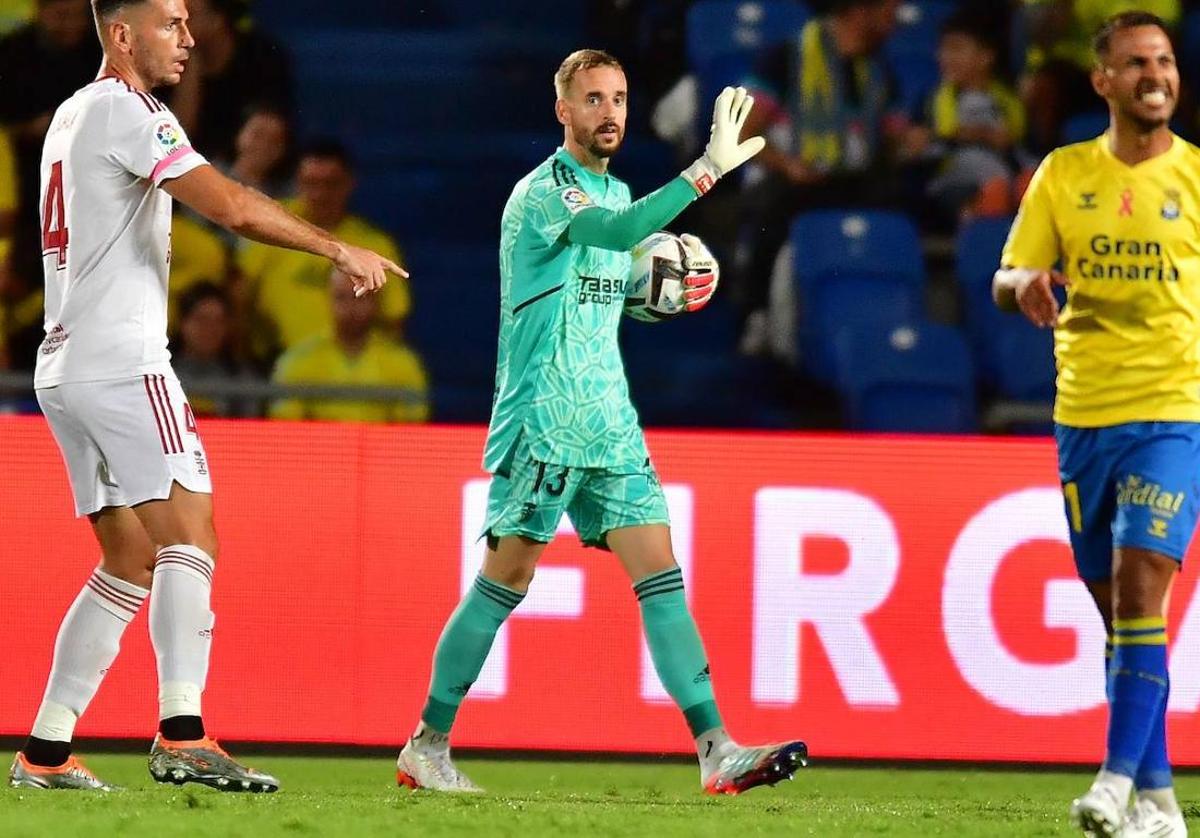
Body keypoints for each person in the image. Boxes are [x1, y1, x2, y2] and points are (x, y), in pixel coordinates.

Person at [8, 0, 402, 792]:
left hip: (65, 363)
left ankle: (45, 753)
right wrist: (333, 245)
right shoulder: (129, 109)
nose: (190, 39)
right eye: (171, 23)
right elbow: (227, 205)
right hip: (123, 361)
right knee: (194, 531)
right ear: (122, 35)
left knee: (129, 558)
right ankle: (183, 732)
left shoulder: (72, 115)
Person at [395, 48, 806, 796]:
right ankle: (427, 744)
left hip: (608, 421)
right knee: (504, 580)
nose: (609, 112)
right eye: (593, 100)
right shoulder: (547, 193)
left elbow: (606, 288)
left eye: (618, 98)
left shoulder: (612, 194)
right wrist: (705, 171)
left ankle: (717, 747)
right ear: (564, 111)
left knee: (663, 576)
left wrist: (670, 287)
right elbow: (615, 235)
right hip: (543, 417)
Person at [993, 12, 1192, 837]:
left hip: (1173, 411)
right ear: (1102, 81)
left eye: (1167, 59)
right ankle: (1162, 804)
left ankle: (1111, 782)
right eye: (1137, 62)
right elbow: (1007, 274)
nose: (1156, 73)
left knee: (1144, 578)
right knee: (1119, 614)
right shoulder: (1062, 173)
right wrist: (1027, 284)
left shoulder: (1194, 181)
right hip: (1084, 415)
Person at [737, 0, 905, 346]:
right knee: (775, 210)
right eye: (889, 6)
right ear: (860, 11)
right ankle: (757, 316)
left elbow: (889, 138)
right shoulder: (785, 58)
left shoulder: (880, 70)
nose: (898, 14)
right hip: (789, 177)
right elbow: (740, 135)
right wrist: (789, 165)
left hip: (852, 180)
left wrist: (906, 141)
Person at [237, 140, 409, 365]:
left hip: (351, 372)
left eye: (330, 184)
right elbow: (238, 298)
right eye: (310, 183)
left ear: (349, 183)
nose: (319, 193)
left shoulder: (374, 245)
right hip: (275, 366)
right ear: (297, 182)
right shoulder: (273, 225)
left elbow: (394, 320)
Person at [269, 269, 429, 424]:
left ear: (377, 301)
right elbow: (286, 427)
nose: (350, 308)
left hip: (380, 449)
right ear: (327, 299)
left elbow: (410, 429)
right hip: (319, 450)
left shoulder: (403, 363)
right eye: (341, 297)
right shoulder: (297, 360)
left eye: (359, 297)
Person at [911, 11, 1027, 224]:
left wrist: (996, 138)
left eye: (956, 49)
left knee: (1030, 182)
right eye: (943, 49)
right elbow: (924, 145)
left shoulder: (1006, 100)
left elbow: (1017, 137)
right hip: (955, 178)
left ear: (986, 57)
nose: (945, 57)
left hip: (1004, 169)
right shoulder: (931, 100)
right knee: (994, 190)